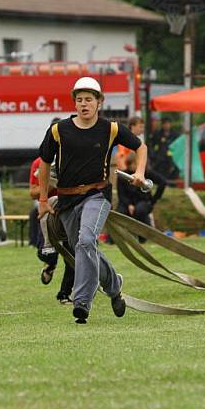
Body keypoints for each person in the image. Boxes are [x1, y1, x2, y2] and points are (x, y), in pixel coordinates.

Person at [37, 77, 147, 324]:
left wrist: (139, 172)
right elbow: (44, 163)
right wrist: (44, 200)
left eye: (88, 99)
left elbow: (141, 147)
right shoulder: (58, 130)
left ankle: (82, 302)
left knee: (86, 241)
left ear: (99, 102)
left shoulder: (112, 129)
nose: (83, 104)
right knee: (85, 250)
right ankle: (114, 285)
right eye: (79, 100)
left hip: (97, 196)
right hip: (66, 201)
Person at [29, 153, 74, 304]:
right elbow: (33, 192)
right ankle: (50, 264)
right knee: (48, 253)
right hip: (49, 211)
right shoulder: (39, 163)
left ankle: (64, 293)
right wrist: (49, 182)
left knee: (72, 254)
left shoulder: (74, 157)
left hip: (69, 208)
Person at [117, 152, 166, 239]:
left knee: (140, 210)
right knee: (120, 212)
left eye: (132, 164)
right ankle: (117, 238)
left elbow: (162, 182)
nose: (131, 167)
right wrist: (129, 205)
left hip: (144, 201)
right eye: (129, 165)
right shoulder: (123, 176)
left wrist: (154, 200)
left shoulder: (146, 173)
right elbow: (121, 194)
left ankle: (145, 236)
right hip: (127, 203)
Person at [150, 117, 179, 181]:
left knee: (173, 174)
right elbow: (152, 145)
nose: (166, 125)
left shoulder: (175, 134)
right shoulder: (158, 134)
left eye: (168, 124)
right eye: (165, 124)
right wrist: (154, 155)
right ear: (162, 125)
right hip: (160, 159)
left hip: (172, 158)